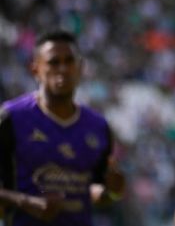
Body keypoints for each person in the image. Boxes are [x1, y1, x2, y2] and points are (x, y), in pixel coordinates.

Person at [0, 30, 125, 225]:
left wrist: (112, 192)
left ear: (80, 68)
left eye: (69, 61)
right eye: (53, 62)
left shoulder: (98, 127)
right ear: (35, 69)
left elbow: (93, 192)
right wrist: (27, 202)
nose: (63, 69)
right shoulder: (11, 118)